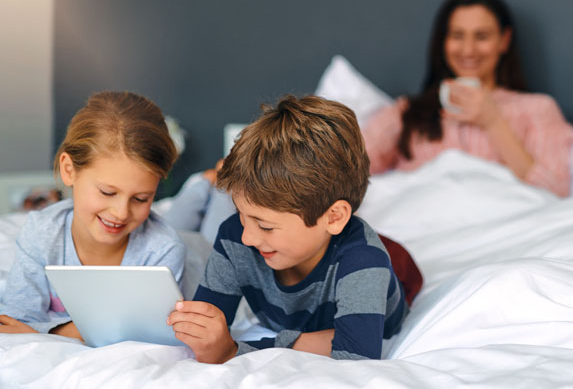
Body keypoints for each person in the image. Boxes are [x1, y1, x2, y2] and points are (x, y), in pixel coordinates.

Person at [166, 95, 408, 362]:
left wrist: (235, 350)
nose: (248, 236)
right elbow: (207, 325)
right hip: (319, 268)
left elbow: (355, 356)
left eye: (266, 226)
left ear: (334, 217)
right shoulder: (236, 235)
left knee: (389, 259)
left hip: (394, 269)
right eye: (242, 215)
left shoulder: (364, 260)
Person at [0, 91, 187, 338]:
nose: (120, 213)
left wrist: (47, 332)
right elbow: (15, 321)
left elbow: (152, 331)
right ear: (69, 170)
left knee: (195, 227)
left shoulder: (163, 249)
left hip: (189, 244)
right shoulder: (42, 232)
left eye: (141, 199)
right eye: (107, 192)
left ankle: (202, 187)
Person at [361, 0, 573, 197]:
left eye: (481, 36)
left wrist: (493, 121)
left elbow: (554, 193)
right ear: (443, 42)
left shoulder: (538, 109)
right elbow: (348, 171)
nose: (468, 49)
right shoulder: (406, 112)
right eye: (457, 35)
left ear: (504, 40)